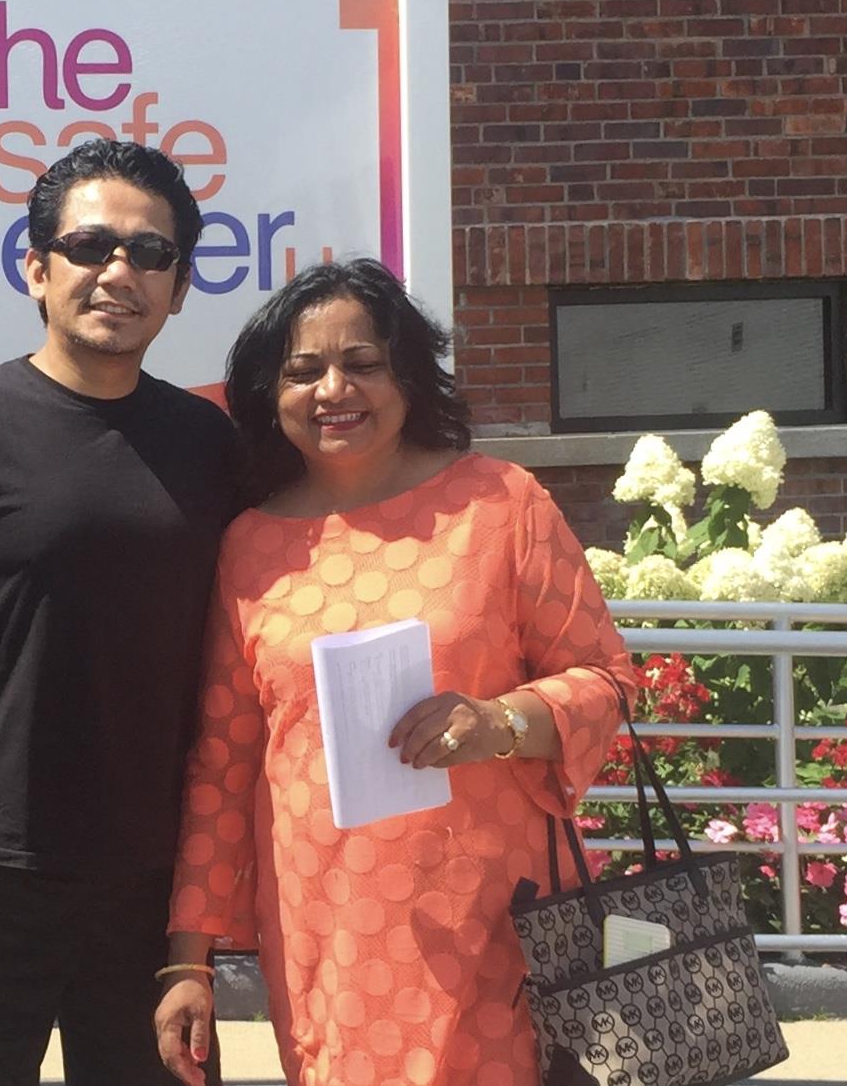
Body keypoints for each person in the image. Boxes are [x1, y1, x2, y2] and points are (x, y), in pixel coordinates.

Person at [154, 259, 635, 1086]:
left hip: (499, 918)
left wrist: (498, 721)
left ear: (407, 373)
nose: (332, 390)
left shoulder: (499, 504)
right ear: (270, 395)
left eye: (361, 363)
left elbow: (605, 679)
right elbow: (223, 765)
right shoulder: (251, 546)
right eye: (302, 371)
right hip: (327, 930)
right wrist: (185, 959)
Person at [0, 139, 237, 1086]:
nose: (118, 272)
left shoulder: (210, 445)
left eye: (150, 253)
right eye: (89, 246)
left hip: (153, 882)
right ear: (35, 268)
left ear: (180, 286)